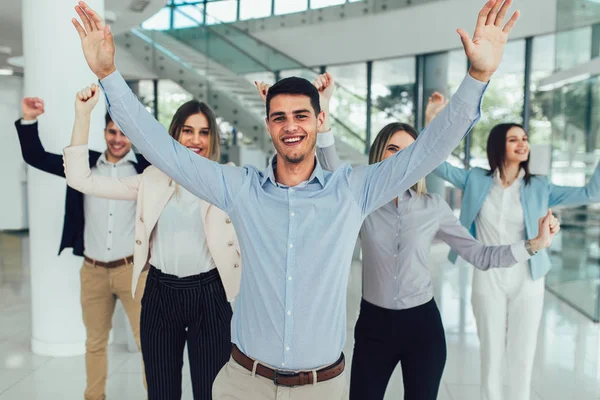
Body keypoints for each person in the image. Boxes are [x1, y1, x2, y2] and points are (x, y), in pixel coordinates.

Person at [71, 1, 519, 397]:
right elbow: (162, 149)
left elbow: (426, 151)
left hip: (319, 387)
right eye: (280, 117)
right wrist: (109, 75)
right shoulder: (240, 189)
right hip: (243, 382)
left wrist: (478, 77)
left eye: (301, 115)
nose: (291, 126)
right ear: (268, 126)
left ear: (319, 120)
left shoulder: (352, 190)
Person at [278, 73, 559, 400]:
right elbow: (330, 168)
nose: (400, 158)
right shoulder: (360, 203)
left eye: (409, 152)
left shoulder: (433, 208)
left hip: (423, 329)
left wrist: (534, 245)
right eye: (392, 149)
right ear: (379, 154)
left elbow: (481, 255)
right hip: (373, 328)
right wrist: (323, 110)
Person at [63, 84, 241, 399]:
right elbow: (81, 180)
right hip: (159, 294)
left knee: (210, 391)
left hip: (210, 296)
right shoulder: (151, 179)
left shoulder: (226, 179)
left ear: (213, 137)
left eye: (203, 132)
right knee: (160, 391)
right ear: (174, 134)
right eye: (187, 130)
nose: (195, 140)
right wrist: (82, 115)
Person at [427, 95, 600, 400]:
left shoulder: (541, 186)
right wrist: (432, 119)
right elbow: (435, 163)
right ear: (498, 145)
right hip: (488, 273)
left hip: (528, 275)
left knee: (522, 355)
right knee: (491, 352)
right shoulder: (476, 179)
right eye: (513, 139)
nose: (523, 144)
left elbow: (591, 192)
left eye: (525, 138)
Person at [14, 96, 149, 400]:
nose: (117, 139)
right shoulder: (82, 164)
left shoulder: (147, 170)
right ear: (104, 133)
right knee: (95, 343)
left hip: (133, 271)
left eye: (124, 133)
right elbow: (35, 156)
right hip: (93, 272)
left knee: (149, 345)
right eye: (112, 132)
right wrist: (29, 119)